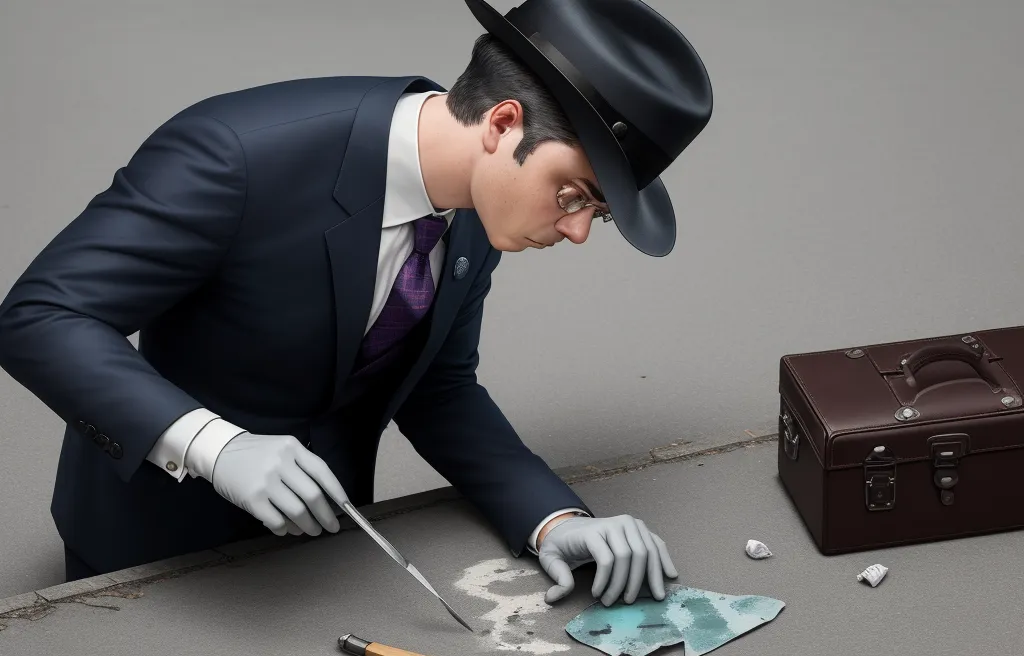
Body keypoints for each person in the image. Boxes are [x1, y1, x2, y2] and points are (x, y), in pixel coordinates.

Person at [0, 0, 712, 605]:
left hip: (324, 563)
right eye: (574, 195)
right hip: (152, 554)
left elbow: (438, 388)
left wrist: (553, 519)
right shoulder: (236, 155)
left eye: (600, 213)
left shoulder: (478, 209)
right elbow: (40, 316)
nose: (579, 231)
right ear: (501, 125)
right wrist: (216, 447)